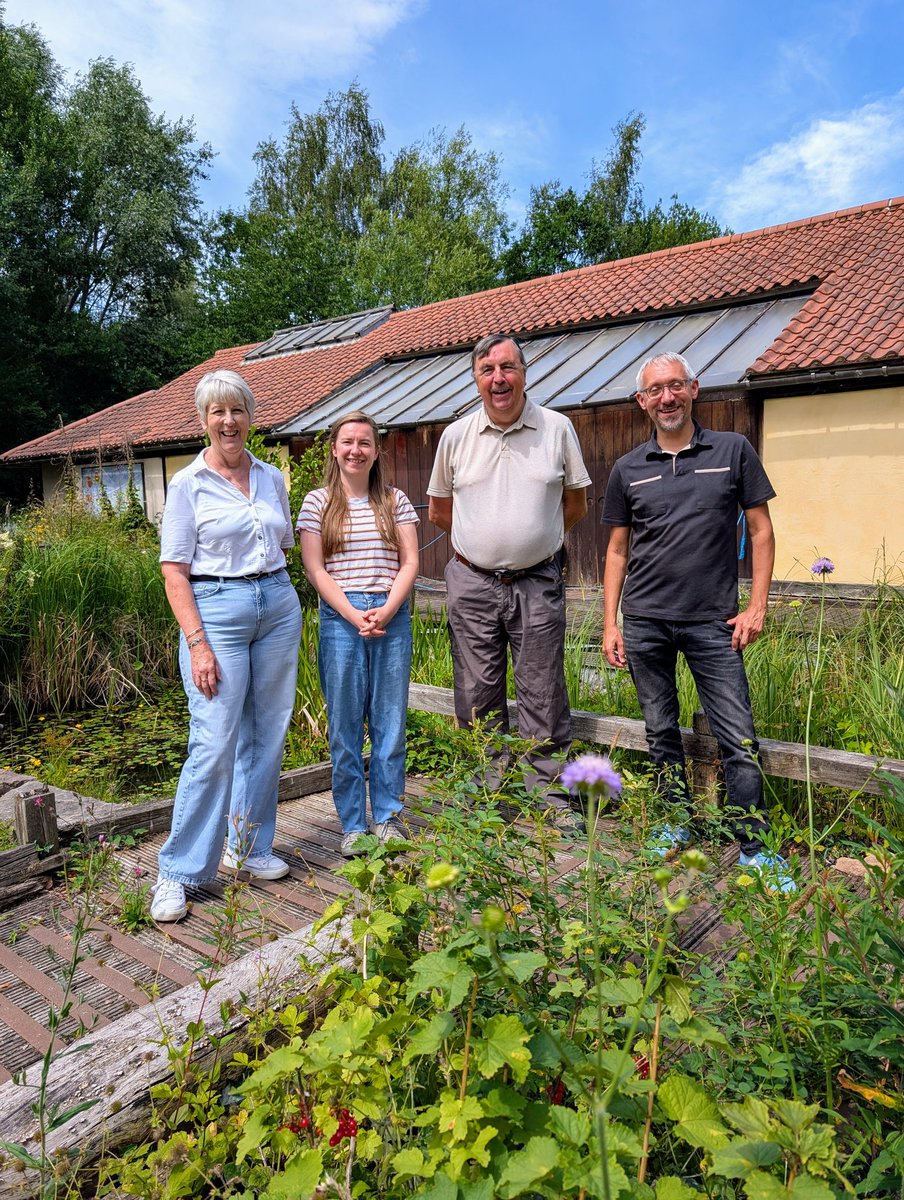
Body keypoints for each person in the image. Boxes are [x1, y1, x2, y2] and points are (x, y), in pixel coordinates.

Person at [602, 350, 794, 889]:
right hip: (645, 621)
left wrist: (757, 606)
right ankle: (676, 823)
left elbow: (761, 531)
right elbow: (617, 550)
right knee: (660, 729)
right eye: (655, 390)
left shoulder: (732, 451)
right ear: (642, 402)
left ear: (694, 388)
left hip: (715, 623)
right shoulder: (627, 469)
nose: (667, 397)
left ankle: (752, 844)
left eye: (675, 386)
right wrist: (611, 622)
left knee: (739, 736)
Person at [153, 369, 303, 922]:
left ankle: (249, 846)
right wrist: (197, 644)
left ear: (250, 417)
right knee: (215, 740)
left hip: (277, 601)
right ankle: (178, 871)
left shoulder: (270, 478)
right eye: (217, 412)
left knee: (267, 733)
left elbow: (282, 542)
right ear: (203, 420)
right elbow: (174, 572)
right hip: (215, 608)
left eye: (237, 410)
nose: (228, 421)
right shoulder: (188, 485)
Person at [427, 333, 591, 820]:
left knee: (543, 691)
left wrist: (533, 542)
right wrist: (486, 545)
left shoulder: (557, 429)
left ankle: (552, 800)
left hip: (538, 580)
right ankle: (487, 797)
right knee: (477, 692)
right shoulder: (455, 436)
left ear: (524, 372)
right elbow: (440, 511)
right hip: (473, 582)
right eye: (487, 370)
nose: (498, 378)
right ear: (476, 379)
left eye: (507, 368)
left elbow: (575, 504)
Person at [298, 412, 419, 857]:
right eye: (347, 442)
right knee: (345, 727)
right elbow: (314, 568)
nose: (355, 450)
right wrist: (353, 614)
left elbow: (410, 562)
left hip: (392, 614)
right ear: (334, 448)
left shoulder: (395, 500)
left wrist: (386, 608)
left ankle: (387, 816)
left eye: (364, 442)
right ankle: (352, 824)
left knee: (390, 722)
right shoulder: (317, 503)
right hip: (340, 618)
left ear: (376, 450)